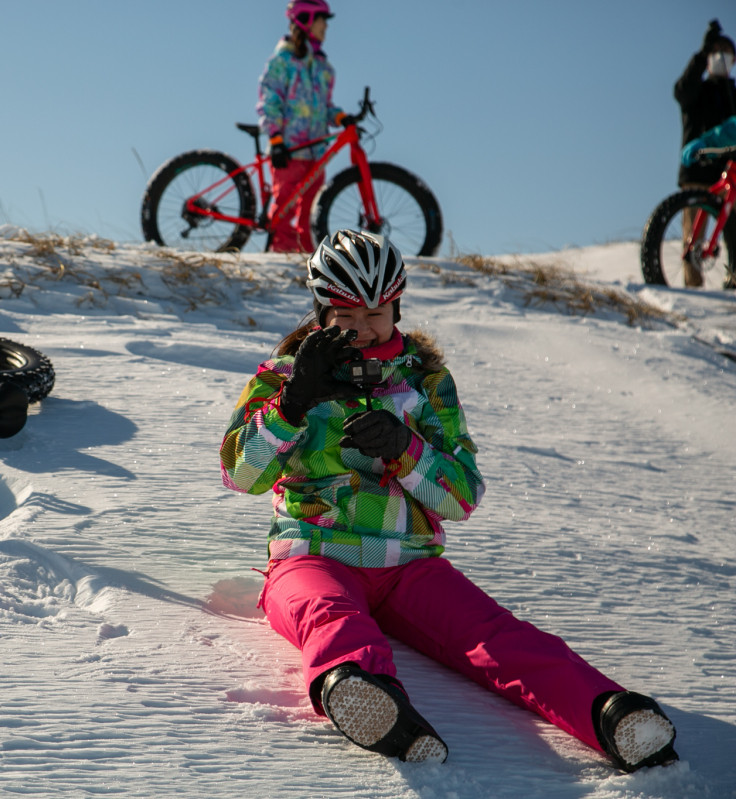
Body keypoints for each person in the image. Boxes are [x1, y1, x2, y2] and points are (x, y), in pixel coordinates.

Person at [219, 229, 679, 770]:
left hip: (407, 562)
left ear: (397, 305)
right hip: (312, 553)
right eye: (347, 315)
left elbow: (462, 496)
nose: (365, 329)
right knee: (329, 615)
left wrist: (406, 449)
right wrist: (293, 403)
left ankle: (608, 712)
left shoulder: (426, 384)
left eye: (377, 313)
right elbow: (240, 474)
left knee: (493, 634)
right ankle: (363, 692)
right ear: (322, 311)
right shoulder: (283, 377)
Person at [256, 0, 345, 253]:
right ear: (305, 20)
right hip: (289, 147)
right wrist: (275, 139)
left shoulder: (324, 68)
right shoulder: (282, 61)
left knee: (312, 208)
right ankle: (281, 253)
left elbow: (326, 107)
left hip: (316, 151)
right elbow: (269, 100)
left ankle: (308, 257)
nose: (326, 26)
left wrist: (340, 118)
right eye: (322, 20)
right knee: (285, 204)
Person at [674, 19, 736, 287]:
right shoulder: (697, 91)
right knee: (694, 237)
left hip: (730, 173)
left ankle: (733, 278)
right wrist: (700, 56)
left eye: (727, 54)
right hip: (698, 171)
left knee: (734, 228)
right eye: (716, 53)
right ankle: (693, 291)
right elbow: (682, 90)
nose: (722, 58)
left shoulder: (733, 93)